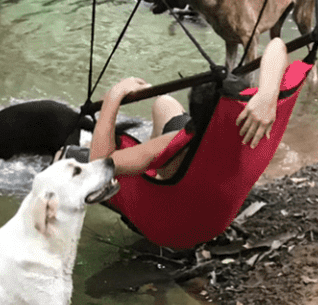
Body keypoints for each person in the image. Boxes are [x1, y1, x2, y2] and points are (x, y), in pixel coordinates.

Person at [86, 37, 300, 250]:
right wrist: (267, 96)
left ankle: (159, 180)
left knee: (93, 152)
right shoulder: (260, 122)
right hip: (214, 220)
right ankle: (162, 177)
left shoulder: (172, 146)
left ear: (195, 119)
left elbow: (98, 165)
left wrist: (112, 98)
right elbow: (277, 44)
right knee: (164, 103)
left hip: (168, 231)